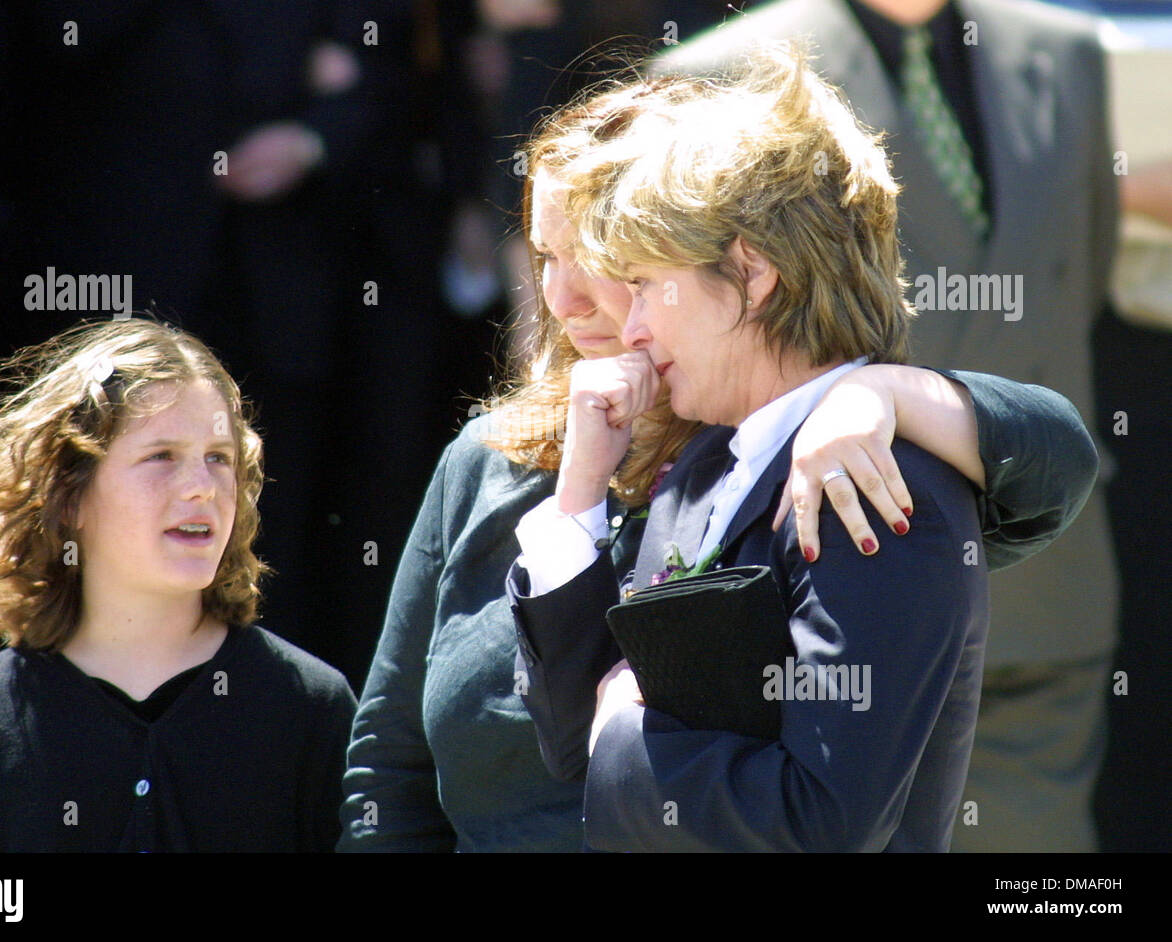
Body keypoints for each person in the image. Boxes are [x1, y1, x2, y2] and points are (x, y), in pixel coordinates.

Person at [339, 69, 1099, 851]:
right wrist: (578, 499)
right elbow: (490, 753)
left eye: (625, 271)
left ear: (749, 271)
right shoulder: (696, 467)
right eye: (543, 256)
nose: (565, 301)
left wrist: (891, 394)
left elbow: (821, 821)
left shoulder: (851, 466)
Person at [656, 0, 1119, 854]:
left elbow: (1074, 287)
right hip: (825, 615)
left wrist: (896, 394)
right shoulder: (717, 72)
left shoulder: (1068, 52)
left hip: (1046, 586)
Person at [0, 317, 356, 852]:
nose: (202, 487)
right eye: (161, 456)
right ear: (70, 494)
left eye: (219, 459)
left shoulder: (308, 708)